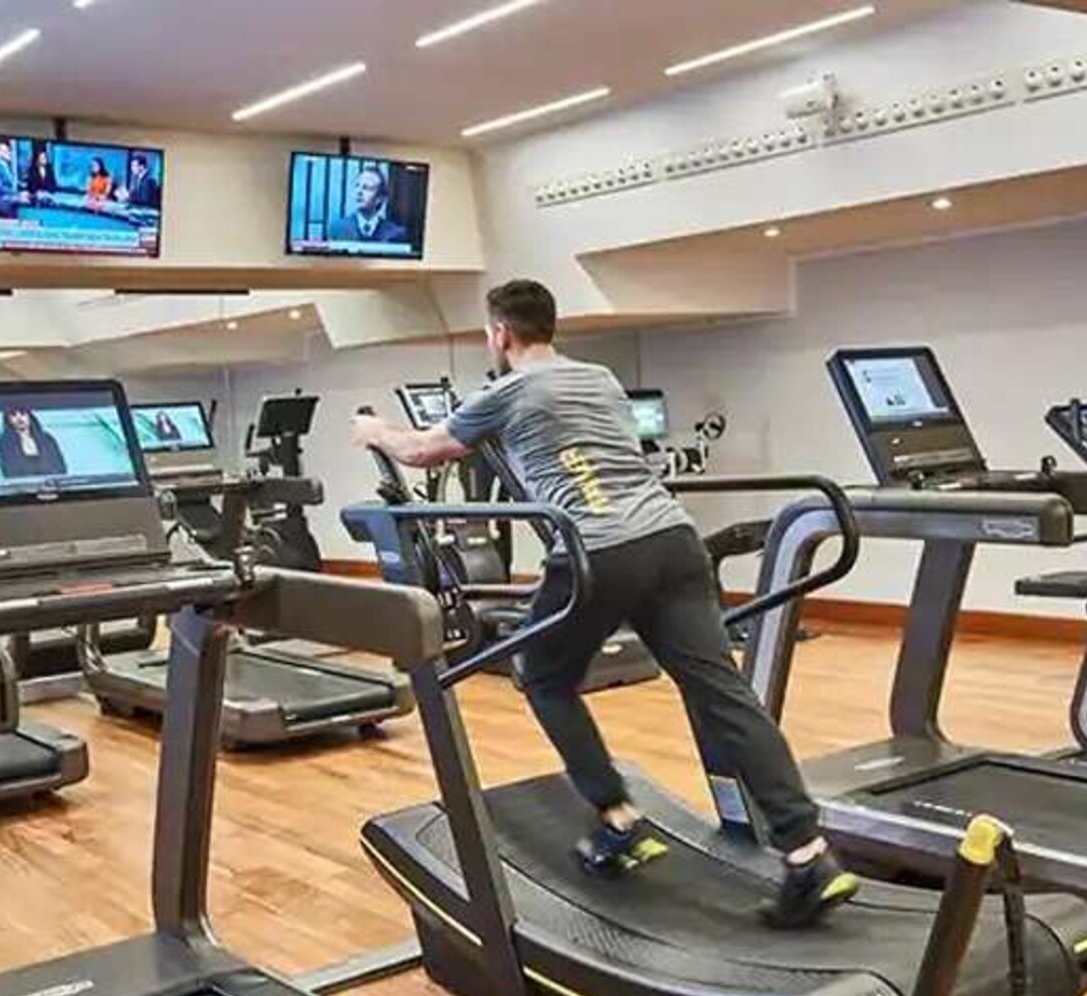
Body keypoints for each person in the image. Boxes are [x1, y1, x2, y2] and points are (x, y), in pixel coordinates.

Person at [350, 279, 858, 928]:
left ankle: (617, 818)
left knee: (543, 678)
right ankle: (808, 853)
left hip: (595, 549)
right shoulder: (601, 379)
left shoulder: (506, 391)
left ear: (500, 334)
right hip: (673, 540)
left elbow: (423, 451)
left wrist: (374, 431)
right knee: (722, 694)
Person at [325, 164, 407, 245]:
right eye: (357, 186)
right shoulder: (337, 229)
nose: (359, 192)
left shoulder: (395, 234)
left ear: (380, 198)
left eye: (366, 188)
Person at [0, 408, 67, 478]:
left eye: (22, 413)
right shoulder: (6, 444)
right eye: (13, 414)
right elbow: (9, 471)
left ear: (29, 416)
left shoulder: (47, 439)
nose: (19, 418)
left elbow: (60, 467)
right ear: (8, 420)